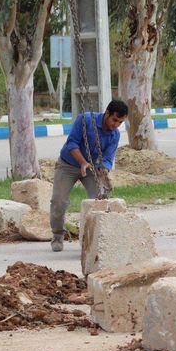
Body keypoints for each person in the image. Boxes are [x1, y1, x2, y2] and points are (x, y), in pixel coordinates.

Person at [50, 99, 129, 252]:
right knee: (59, 201)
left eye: (120, 122)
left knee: (99, 200)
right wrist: (82, 162)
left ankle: (95, 239)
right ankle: (57, 236)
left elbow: (107, 158)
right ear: (107, 113)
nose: (116, 125)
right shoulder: (85, 120)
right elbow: (71, 143)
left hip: (92, 169)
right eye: (114, 120)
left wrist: (104, 169)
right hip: (68, 164)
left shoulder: (115, 135)